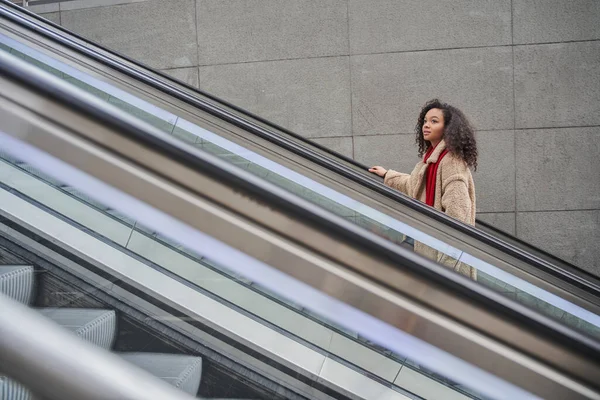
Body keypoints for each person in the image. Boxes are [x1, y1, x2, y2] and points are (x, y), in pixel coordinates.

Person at [369, 99, 478, 280]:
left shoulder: (452, 162)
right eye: (425, 121)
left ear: (447, 128)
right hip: (428, 246)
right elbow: (414, 185)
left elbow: (459, 214)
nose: (426, 125)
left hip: (444, 259)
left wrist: (448, 266)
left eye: (434, 121)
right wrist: (387, 174)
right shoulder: (430, 160)